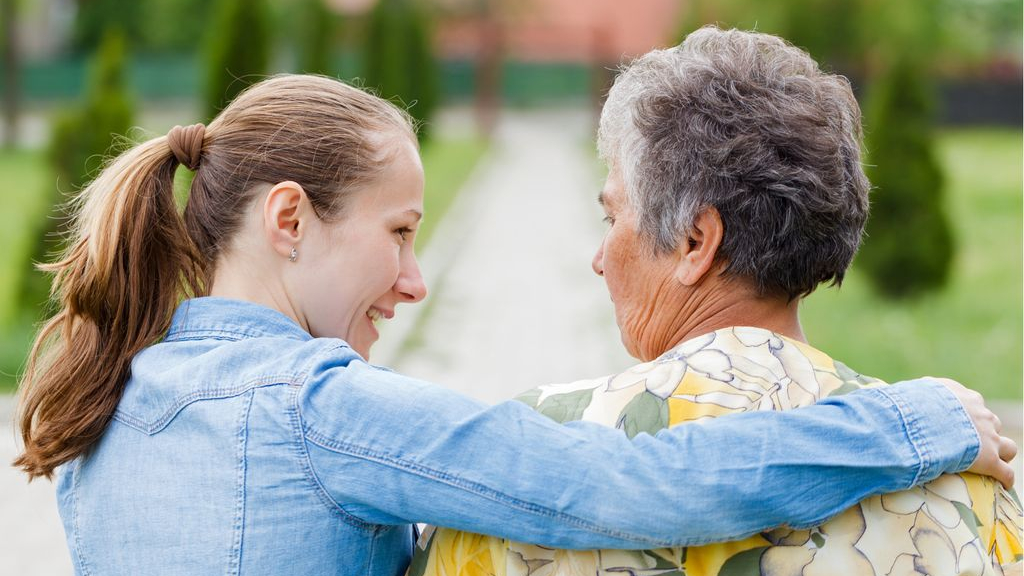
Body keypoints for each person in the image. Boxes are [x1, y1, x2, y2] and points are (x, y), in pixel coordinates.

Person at [12, 74, 1013, 576]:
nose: (413, 281)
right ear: (287, 219)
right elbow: (629, 488)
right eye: (400, 233)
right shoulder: (320, 411)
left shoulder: (94, 412)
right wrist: (909, 423)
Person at [410, 27, 1022, 576]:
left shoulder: (529, 460)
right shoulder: (967, 472)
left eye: (611, 216)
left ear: (694, 241)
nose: (599, 258)